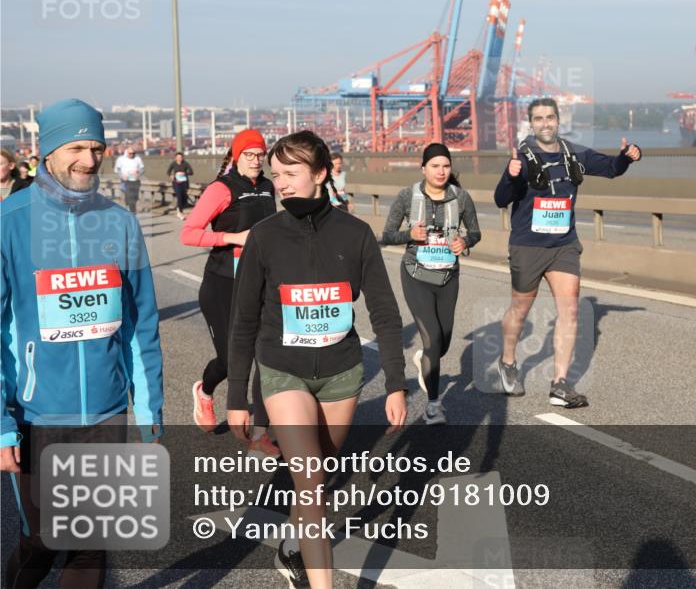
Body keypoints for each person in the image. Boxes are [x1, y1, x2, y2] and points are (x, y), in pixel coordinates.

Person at [227, 130, 406, 589]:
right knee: (310, 479)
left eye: (291, 173)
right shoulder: (264, 236)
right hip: (283, 370)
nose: (281, 183)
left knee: (317, 474)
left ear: (321, 173)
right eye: (276, 175)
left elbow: (384, 312)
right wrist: (237, 397)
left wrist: (396, 385)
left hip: (340, 375)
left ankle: (293, 544)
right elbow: (243, 321)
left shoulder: (356, 233)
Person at [1, 99, 164, 587]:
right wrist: (2, 426)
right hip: (36, 414)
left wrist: (151, 409)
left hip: (107, 413)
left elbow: (141, 323)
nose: (90, 160)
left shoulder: (120, 222)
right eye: (76, 147)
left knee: (90, 545)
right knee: (43, 542)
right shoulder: (10, 220)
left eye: (97, 147)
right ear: (46, 151)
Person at [493, 97, 641, 407]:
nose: (545, 123)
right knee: (520, 310)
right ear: (531, 124)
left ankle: (560, 384)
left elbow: (611, 169)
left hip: (564, 245)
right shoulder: (522, 156)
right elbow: (501, 198)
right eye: (539, 119)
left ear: (558, 121)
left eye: (550, 117)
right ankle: (508, 361)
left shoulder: (574, 153)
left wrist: (626, 157)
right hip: (528, 245)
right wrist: (510, 174)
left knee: (570, 310)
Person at [180, 129, 277, 455]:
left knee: (265, 357)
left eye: (259, 154)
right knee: (232, 361)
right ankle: (205, 390)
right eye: (249, 154)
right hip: (222, 285)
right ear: (236, 156)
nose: (255, 160)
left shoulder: (267, 187)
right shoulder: (221, 189)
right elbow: (189, 233)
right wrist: (232, 239)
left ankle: (261, 434)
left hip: (259, 283)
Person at [382, 143, 480, 424]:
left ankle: (425, 357)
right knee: (433, 338)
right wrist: (409, 235)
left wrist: (466, 241)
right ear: (423, 168)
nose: (441, 171)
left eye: (446, 166)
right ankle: (434, 405)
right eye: (435, 166)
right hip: (416, 275)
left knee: (443, 341)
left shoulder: (461, 198)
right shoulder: (406, 197)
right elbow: (388, 235)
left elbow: (475, 232)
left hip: (448, 277)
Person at [113, 146, 144, 213]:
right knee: (129, 197)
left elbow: (142, 169)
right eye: (130, 153)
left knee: (135, 198)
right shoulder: (121, 159)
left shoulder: (137, 159)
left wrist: (139, 174)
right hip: (125, 181)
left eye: (133, 153)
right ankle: (131, 212)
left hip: (135, 181)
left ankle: (131, 210)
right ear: (127, 153)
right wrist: (122, 176)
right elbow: (117, 170)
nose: (132, 154)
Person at [166, 150, 195, 219]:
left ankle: (179, 209)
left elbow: (191, 172)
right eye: (178, 157)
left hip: (184, 182)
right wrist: (171, 176)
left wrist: (184, 173)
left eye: (181, 157)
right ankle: (180, 212)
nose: (179, 158)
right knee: (179, 196)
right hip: (176, 182)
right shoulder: (173, 164)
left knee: (184, 197)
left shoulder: (185, 164)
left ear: (183, 158)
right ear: (175, 158)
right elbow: (168, 172)